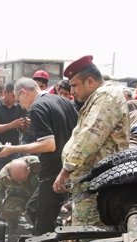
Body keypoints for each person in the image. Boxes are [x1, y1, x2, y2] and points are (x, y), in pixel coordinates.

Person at [53, 55, 129, 227]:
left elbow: (90, 136)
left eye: (74, 86)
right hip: (91, 182)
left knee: (90, 236)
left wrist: (66, 170)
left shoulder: (106, 97)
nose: (71, 91)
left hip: (97, 184)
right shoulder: (99, 96)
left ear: (90, 81)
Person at [0, 78, 78, 235]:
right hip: (69, 168)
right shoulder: (62, 100)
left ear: (24, 92)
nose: (21, 106)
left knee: (41, 221)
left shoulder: (37, 108)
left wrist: (12, 149)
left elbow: (49, 144)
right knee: (35, 209)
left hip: (54, 172)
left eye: (19, 100)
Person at [0, 157, 42, 235]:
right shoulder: (4, 175)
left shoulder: (38, 164)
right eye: (16, 180)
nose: (20, 183)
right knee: (8, 208)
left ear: (29, 170)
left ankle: (43, 227)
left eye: (22, 180)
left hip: (39, 193)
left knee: (43, 208)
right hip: (20, 195)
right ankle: (12, 226)